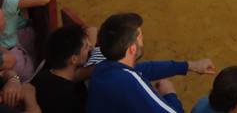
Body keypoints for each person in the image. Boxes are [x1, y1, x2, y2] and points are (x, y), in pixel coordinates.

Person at [87, 12, 216, 112]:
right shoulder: (129, 82)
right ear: (132, 49)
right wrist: (169, 94)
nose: (143, 41)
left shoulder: (103, 67)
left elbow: (144, 69)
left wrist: (190, 65)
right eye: (140, 37)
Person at [32, 24, 91, 113]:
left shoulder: (43, 74)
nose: (91, 46)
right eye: (86, 46)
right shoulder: (71, 97)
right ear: (74, 59)